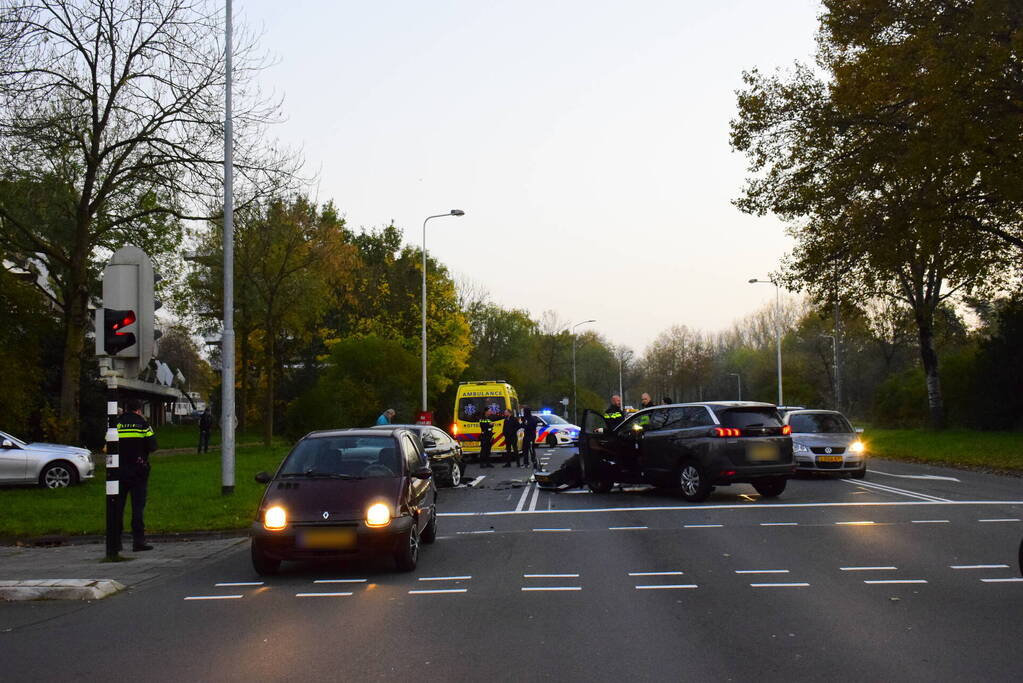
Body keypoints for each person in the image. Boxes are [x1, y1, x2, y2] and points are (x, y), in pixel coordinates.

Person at [116, 399, 158, 552]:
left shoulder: (117, 424)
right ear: (139, 410)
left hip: (118, 471)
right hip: (138, 470)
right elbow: (153, 446)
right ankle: (138, 541)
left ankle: (115, 542)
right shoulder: (143, 424)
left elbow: (108, 444)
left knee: (117, 507)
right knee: (137, 507)